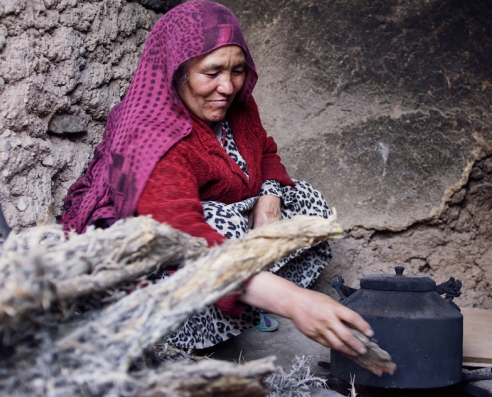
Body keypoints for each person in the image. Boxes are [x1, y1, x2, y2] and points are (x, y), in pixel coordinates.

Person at [60, 0, 372, 357]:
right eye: (211, 73)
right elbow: (187, 239)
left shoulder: (235, 104)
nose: (227, 86)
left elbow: (266, 151)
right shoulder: (149, 134)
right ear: (176, 71)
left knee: (303, 200)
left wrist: (270, 198)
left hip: (220, 223)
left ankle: (249, 296)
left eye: (237, 70)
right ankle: (208, 321)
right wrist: (295, 302)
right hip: (161, 254)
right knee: (221, 226)